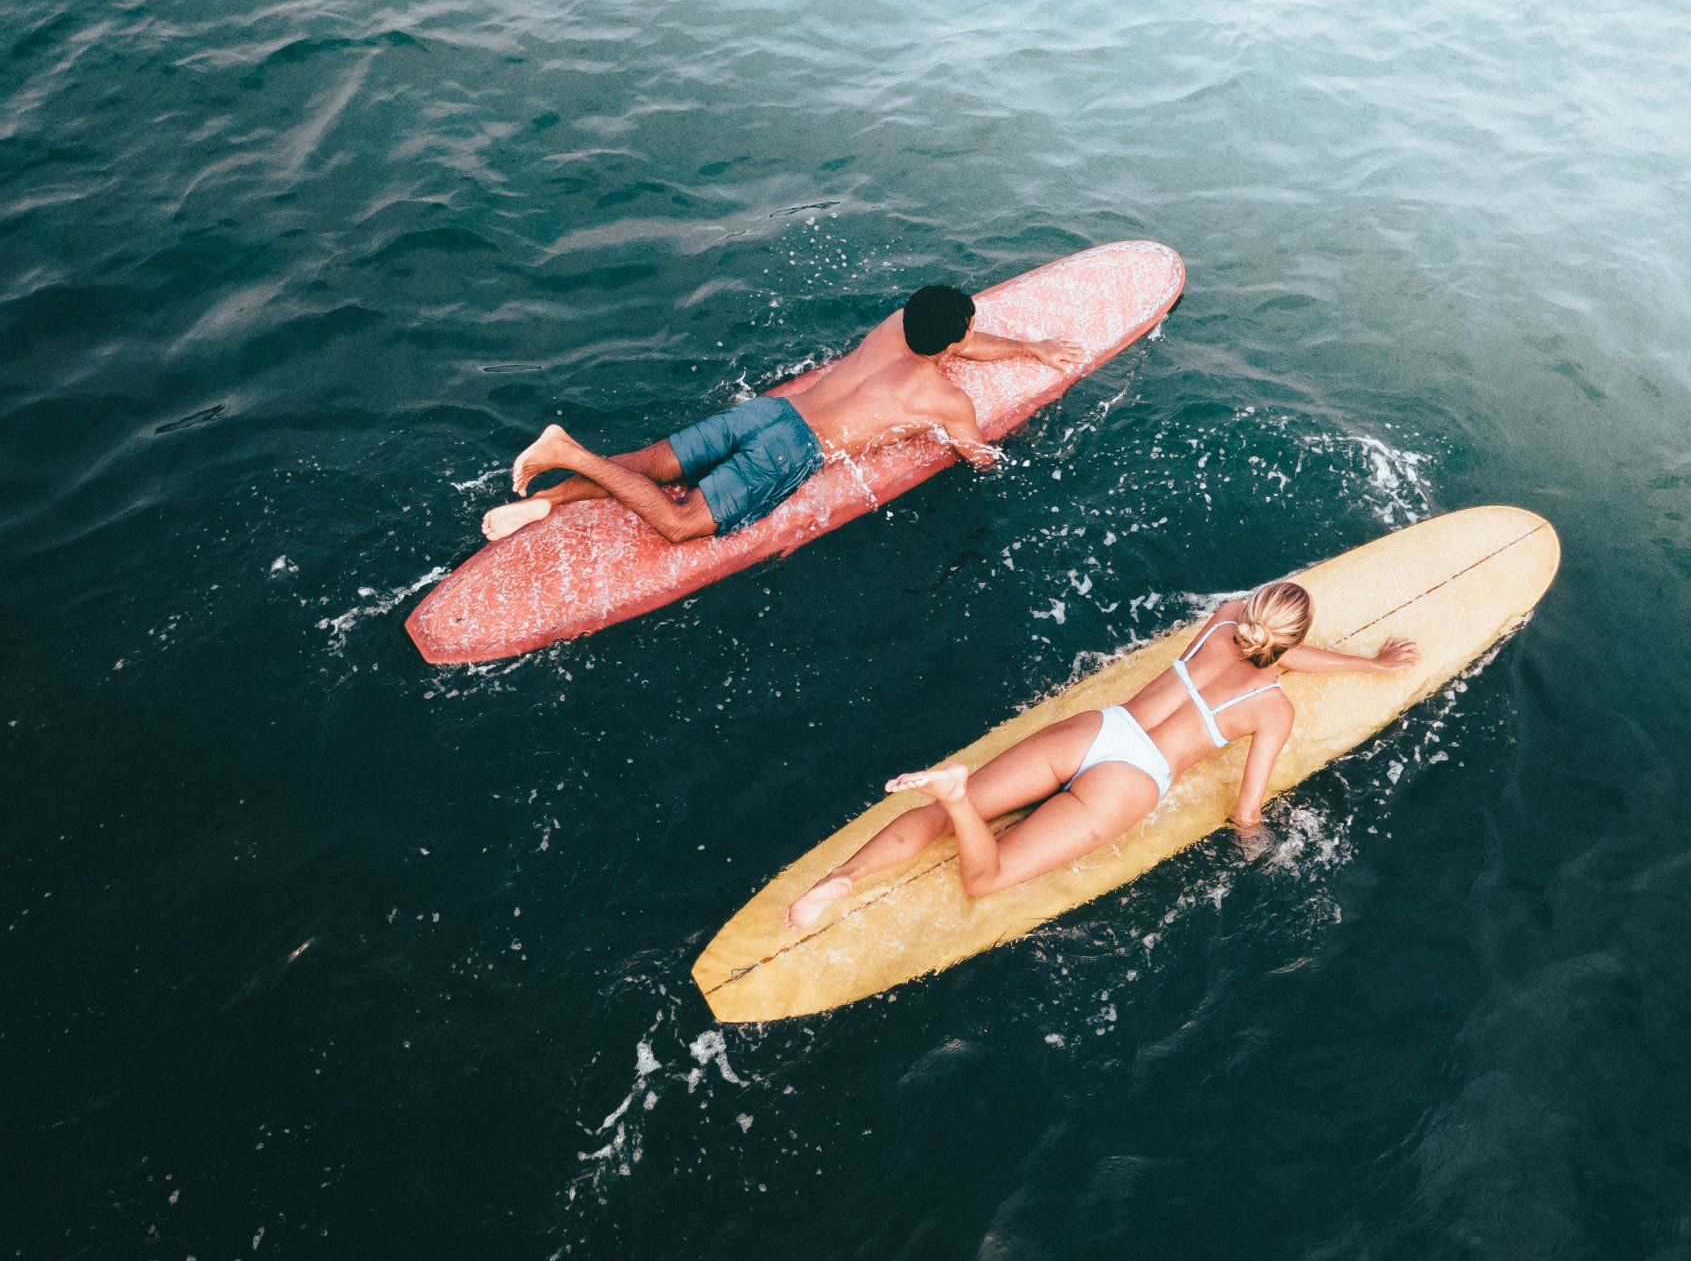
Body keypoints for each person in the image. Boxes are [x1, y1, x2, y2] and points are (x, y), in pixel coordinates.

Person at [785, 581, 1419, 928]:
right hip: (1131, 781)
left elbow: (1266, 648)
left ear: (1253, 613)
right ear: (1291, 643)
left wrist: (1351, 658)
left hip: (1099, 730)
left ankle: (836, 883)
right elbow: (1245, 810)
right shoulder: (1274, 710)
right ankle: (957, 800)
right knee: (988, 878)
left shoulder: (1226, 618)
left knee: (942, 815)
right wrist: (1258, 846)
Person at [481, 285, 1085, 543]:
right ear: (952, 340)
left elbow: (959, 342)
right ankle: (567, 451)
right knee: (680, 523)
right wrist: (1023, 433)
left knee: (650, 464)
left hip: (769, 413)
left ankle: (546, 500)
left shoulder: (894, 327)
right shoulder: (946, 400)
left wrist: (1029, 348)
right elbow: (978, 457)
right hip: (792, 451)